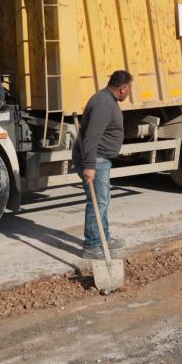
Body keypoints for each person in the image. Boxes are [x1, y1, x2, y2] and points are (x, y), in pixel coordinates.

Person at [73, 70, 133, 259]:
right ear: (123, 88)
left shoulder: (106, 100)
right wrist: (90, 166)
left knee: (102, 200)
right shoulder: (103, 104)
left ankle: (103, 238)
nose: (129, 92)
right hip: (96, 159)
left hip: (100, 159)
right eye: (129, 88)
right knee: (97, 202)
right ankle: (92, 245)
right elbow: (92, 137)